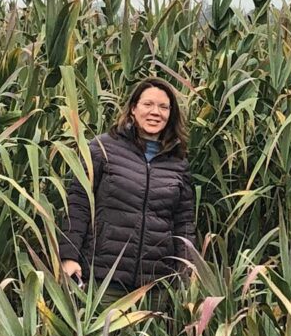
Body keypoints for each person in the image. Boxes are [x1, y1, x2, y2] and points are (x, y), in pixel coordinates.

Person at [58, 77, 196, 304]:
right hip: (104, 279)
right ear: (133, 109)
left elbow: (183, 224)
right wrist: (69, 256)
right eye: (148, 104)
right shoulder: (103, 148)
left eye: (163, 107)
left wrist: (186, 273)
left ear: (171, 114)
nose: (155, 112)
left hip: (155, 286)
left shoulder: (178, 163)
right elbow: (79, 204)